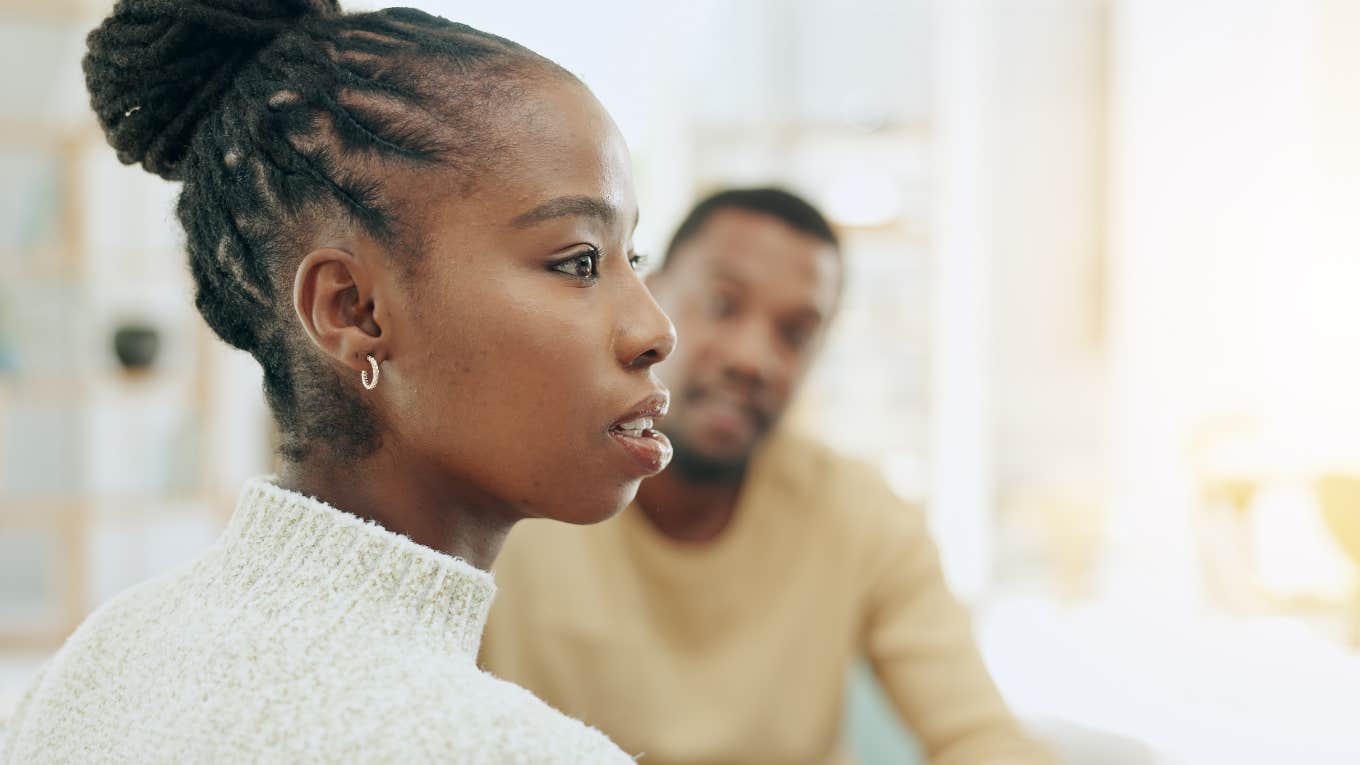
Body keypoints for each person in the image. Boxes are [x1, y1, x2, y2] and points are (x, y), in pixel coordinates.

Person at [0, 1, 675, 762]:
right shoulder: (500, 748)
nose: (655, 330)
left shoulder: (97, 661)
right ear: (351, 309)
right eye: (579, 261)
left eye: (633, 259)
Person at [481, 188, 1057, 765]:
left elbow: (980, 738)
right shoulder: (509, 500)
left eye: (795, 333)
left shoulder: (861, 517)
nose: (753, 358)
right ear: (648, 296)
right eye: (722, 304)